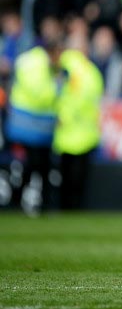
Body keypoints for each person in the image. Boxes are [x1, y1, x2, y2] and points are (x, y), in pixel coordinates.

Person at [5, 39, 62, 213]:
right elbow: (41, 96)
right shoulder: (38, 66)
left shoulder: (29, 61)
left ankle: (19, 201)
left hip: (27, 126)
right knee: (34, 166)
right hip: (32, 126)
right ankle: (19, 201)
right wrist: (58, 86)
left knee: (33, 167)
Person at [53, 48, 104, 210]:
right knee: (77, 176)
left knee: (68, 174)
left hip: (68, 130)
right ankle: (74, 207)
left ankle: (66, 207)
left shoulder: (67, 66)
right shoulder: (89, 71)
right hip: (82, 131)